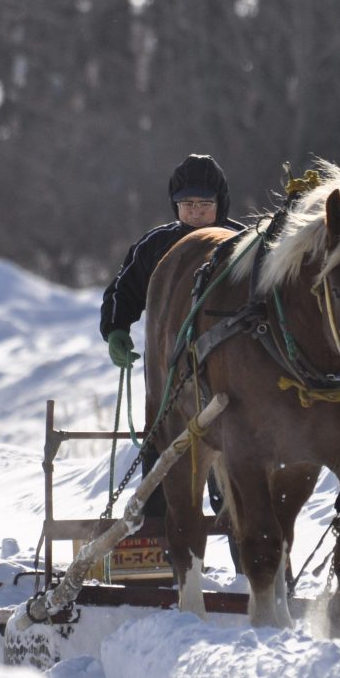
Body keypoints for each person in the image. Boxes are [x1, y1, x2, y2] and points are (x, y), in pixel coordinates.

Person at [100, 154, 244, 518]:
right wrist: (116, 329)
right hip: (168, 381)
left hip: (230, 379)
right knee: (164, 466)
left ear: (220, 204)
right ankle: (158, 557)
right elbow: (122, 290)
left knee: (236, 479)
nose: (195, 213)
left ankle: (248, 563)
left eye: (204, 204)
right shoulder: (157, 245)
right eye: (187, 205)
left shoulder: (243, 245)